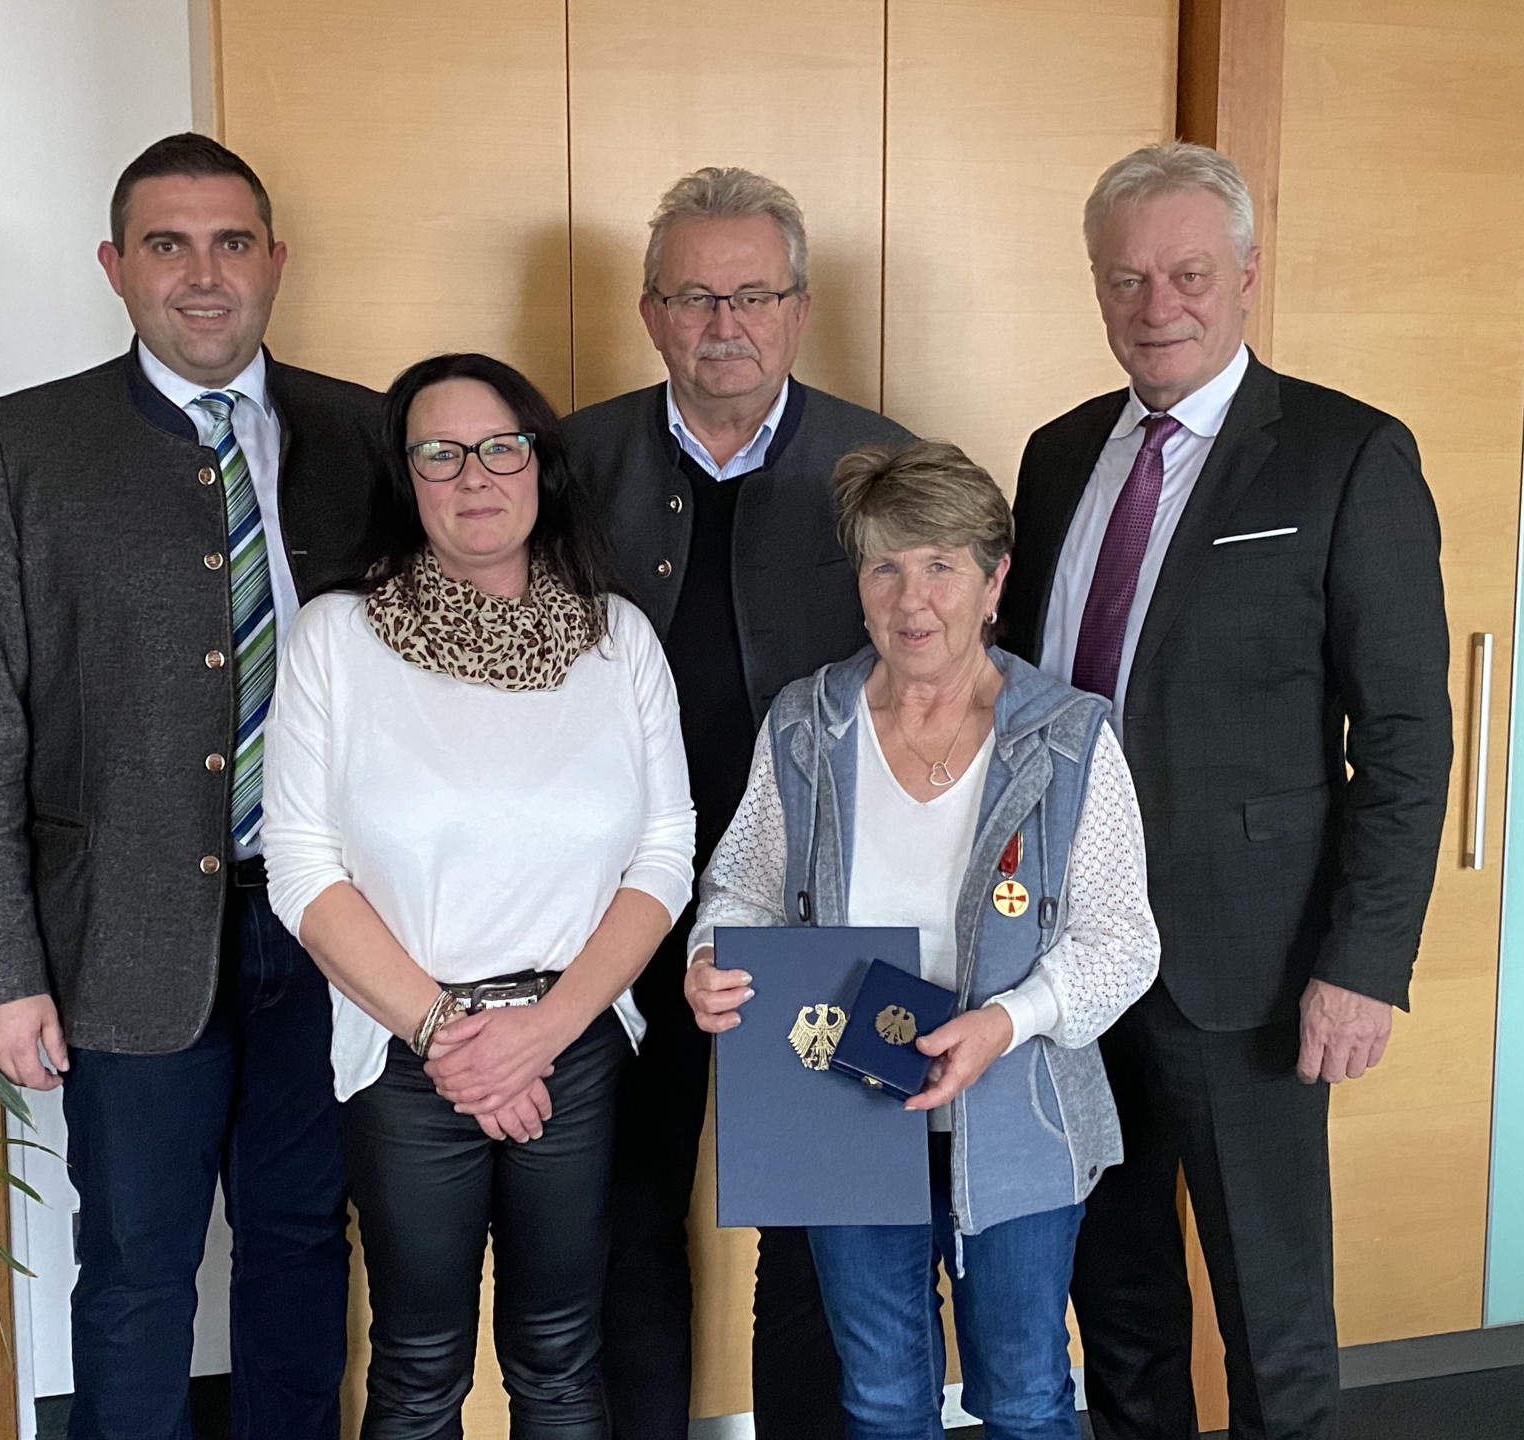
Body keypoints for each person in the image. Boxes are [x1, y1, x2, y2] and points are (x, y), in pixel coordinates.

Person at [0, 133, 384, 1439]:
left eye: (231, 243)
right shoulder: (22, 447)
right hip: (119, 935)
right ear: (114, 267)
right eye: (167, 245)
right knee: (133, 1265)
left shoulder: (369, 435)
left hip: (336, 930)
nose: (203, 275)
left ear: (275, 261)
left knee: (305, 1243)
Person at [997, 142, 1452, 1440]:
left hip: (1246, 969)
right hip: (1070, 961)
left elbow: (1406, 739)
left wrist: (1363, 964)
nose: (1158, 307)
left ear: (1247, 274)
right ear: (1096, 286)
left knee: (1273, 1323)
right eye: (1126, 279)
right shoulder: (1057, 454)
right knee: (1117, 1299)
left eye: (1189, 274)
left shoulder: (1345, 455)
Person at [685, 440, 1160, 1440]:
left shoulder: (1070, 737)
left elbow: (1123, 940)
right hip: (844, 1102)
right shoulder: (808, 724)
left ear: (995, 581)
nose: (912, 599)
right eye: (885, 566)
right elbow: (742, 887)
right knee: (881, 1396)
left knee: (1025, 1393)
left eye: (941, 565)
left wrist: (1006, 1020)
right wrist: (712, 958)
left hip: (1020, 1106)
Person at [262, 352, 695, 1438]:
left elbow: (664, 854)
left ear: (540, 464)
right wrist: (448, 1035)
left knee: (561, 1360)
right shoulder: (334, 640)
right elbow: (302, 867)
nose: (475, 476)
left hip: (575, 1045)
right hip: (407, 1058)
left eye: (502, 448)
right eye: (440, 454)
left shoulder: (619, 639)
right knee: (417, 1367)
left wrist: (544, 1031)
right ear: (404, 477)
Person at [564, 165, 911, 1440]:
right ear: (650, 313)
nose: (725, 324)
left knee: (824, 1232)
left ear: (800, 309)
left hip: (833, 912)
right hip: (612, 907)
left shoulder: (889, 465)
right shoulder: (567, 460)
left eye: (754, 295)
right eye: (694, 297)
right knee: (622, 1213)